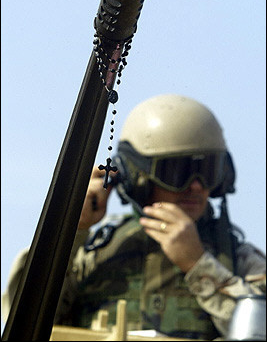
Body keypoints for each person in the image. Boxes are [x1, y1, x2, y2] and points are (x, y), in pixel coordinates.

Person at [2, 94, 266, 340]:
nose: (196, 186)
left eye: (207, 170)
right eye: (178, 172)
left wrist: (199, 265)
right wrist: (69, 230)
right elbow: (20, 317)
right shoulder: (92, 254)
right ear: (138, 178)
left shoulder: (239, 261)